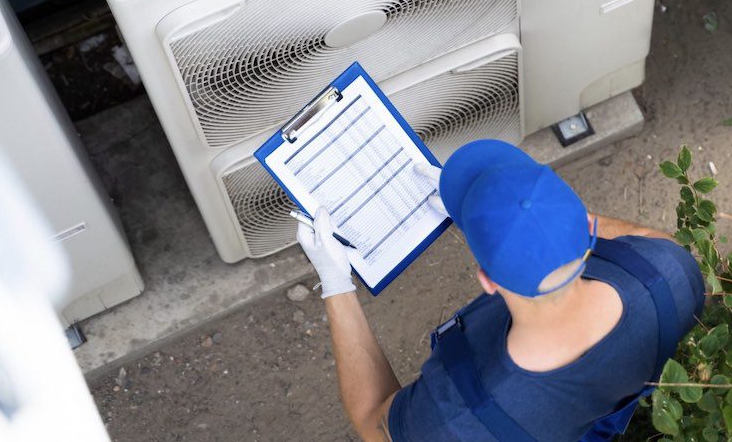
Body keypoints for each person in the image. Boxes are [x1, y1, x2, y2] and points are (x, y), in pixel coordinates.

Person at [296, 139, 705, 441]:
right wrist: (528, 219)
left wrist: (336, 282)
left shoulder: (453, 418)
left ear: (487, 279)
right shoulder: (670, 274)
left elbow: (372, 419)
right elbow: (644, 237)